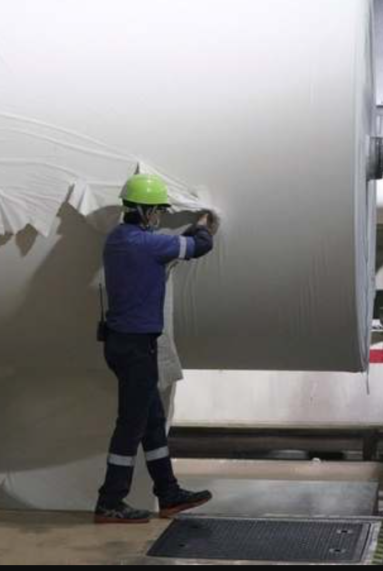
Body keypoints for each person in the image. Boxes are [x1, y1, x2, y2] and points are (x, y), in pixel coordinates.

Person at [94, 173, 218, 524]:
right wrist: (204, 224)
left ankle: (168, 493)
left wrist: (191, 230)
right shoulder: (150, 245)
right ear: (145, 212)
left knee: (151, 423)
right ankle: (110, 501)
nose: (159, 217)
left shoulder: (118, 239)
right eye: (157, 211)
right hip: (136, 349)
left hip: (121, 345)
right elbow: (200, 247)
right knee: (131, 425)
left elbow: (167, 245)